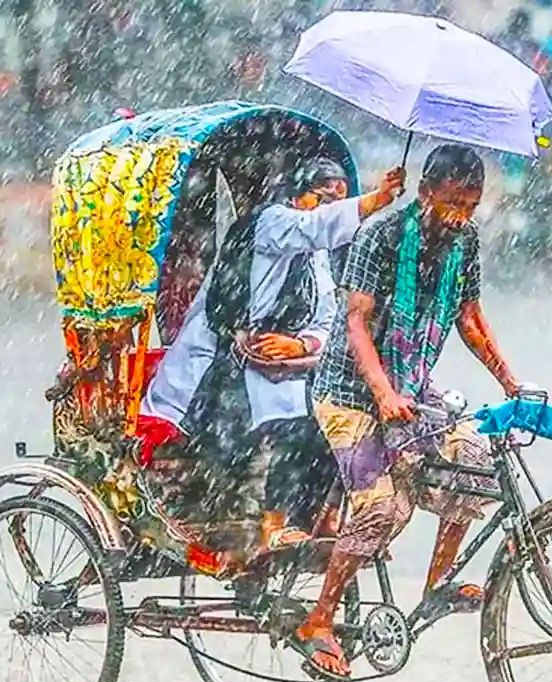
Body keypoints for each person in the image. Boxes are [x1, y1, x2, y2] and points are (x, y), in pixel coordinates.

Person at [291, 144, 519, 679]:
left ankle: (437, 582)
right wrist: (382, 392)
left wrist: (510, 380)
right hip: (349, 392)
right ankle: (318, 619)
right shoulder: (382, 236)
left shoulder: (464, 242)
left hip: (413, 386)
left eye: (470, 203)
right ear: (424, 193)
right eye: (451, 203)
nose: (460, 214)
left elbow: (469, 317)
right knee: (385, 508)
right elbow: (355, 322)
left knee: (475, 462)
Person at [136, 157, 406, 559]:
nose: (328, 209)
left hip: (282, 367)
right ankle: (272, 526)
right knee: (291, 425)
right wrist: (379, 198)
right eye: (323, 198)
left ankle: (318, 517)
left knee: (333, 417)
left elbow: (327, 318)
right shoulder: (271, 223)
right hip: (221, 363)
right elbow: (314, 227)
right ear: (300, 196)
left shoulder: (315, 256)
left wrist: (302, 346)